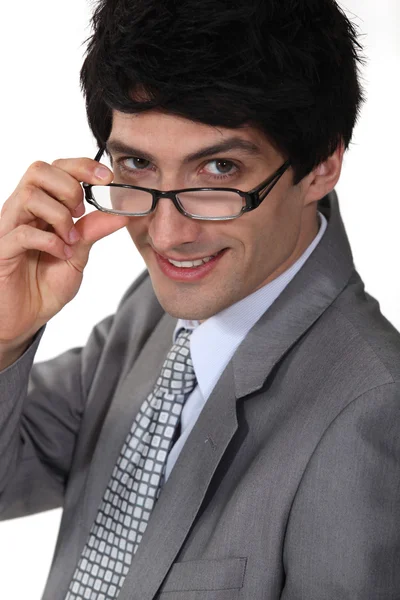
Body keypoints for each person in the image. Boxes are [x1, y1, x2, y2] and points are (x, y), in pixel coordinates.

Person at [0, 0, 399, 598]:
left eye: (219, 169)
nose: (166, 236)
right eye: (136, 164)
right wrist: (4, 338)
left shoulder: (374, 413)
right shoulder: (155, 312)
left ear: (321, 166)